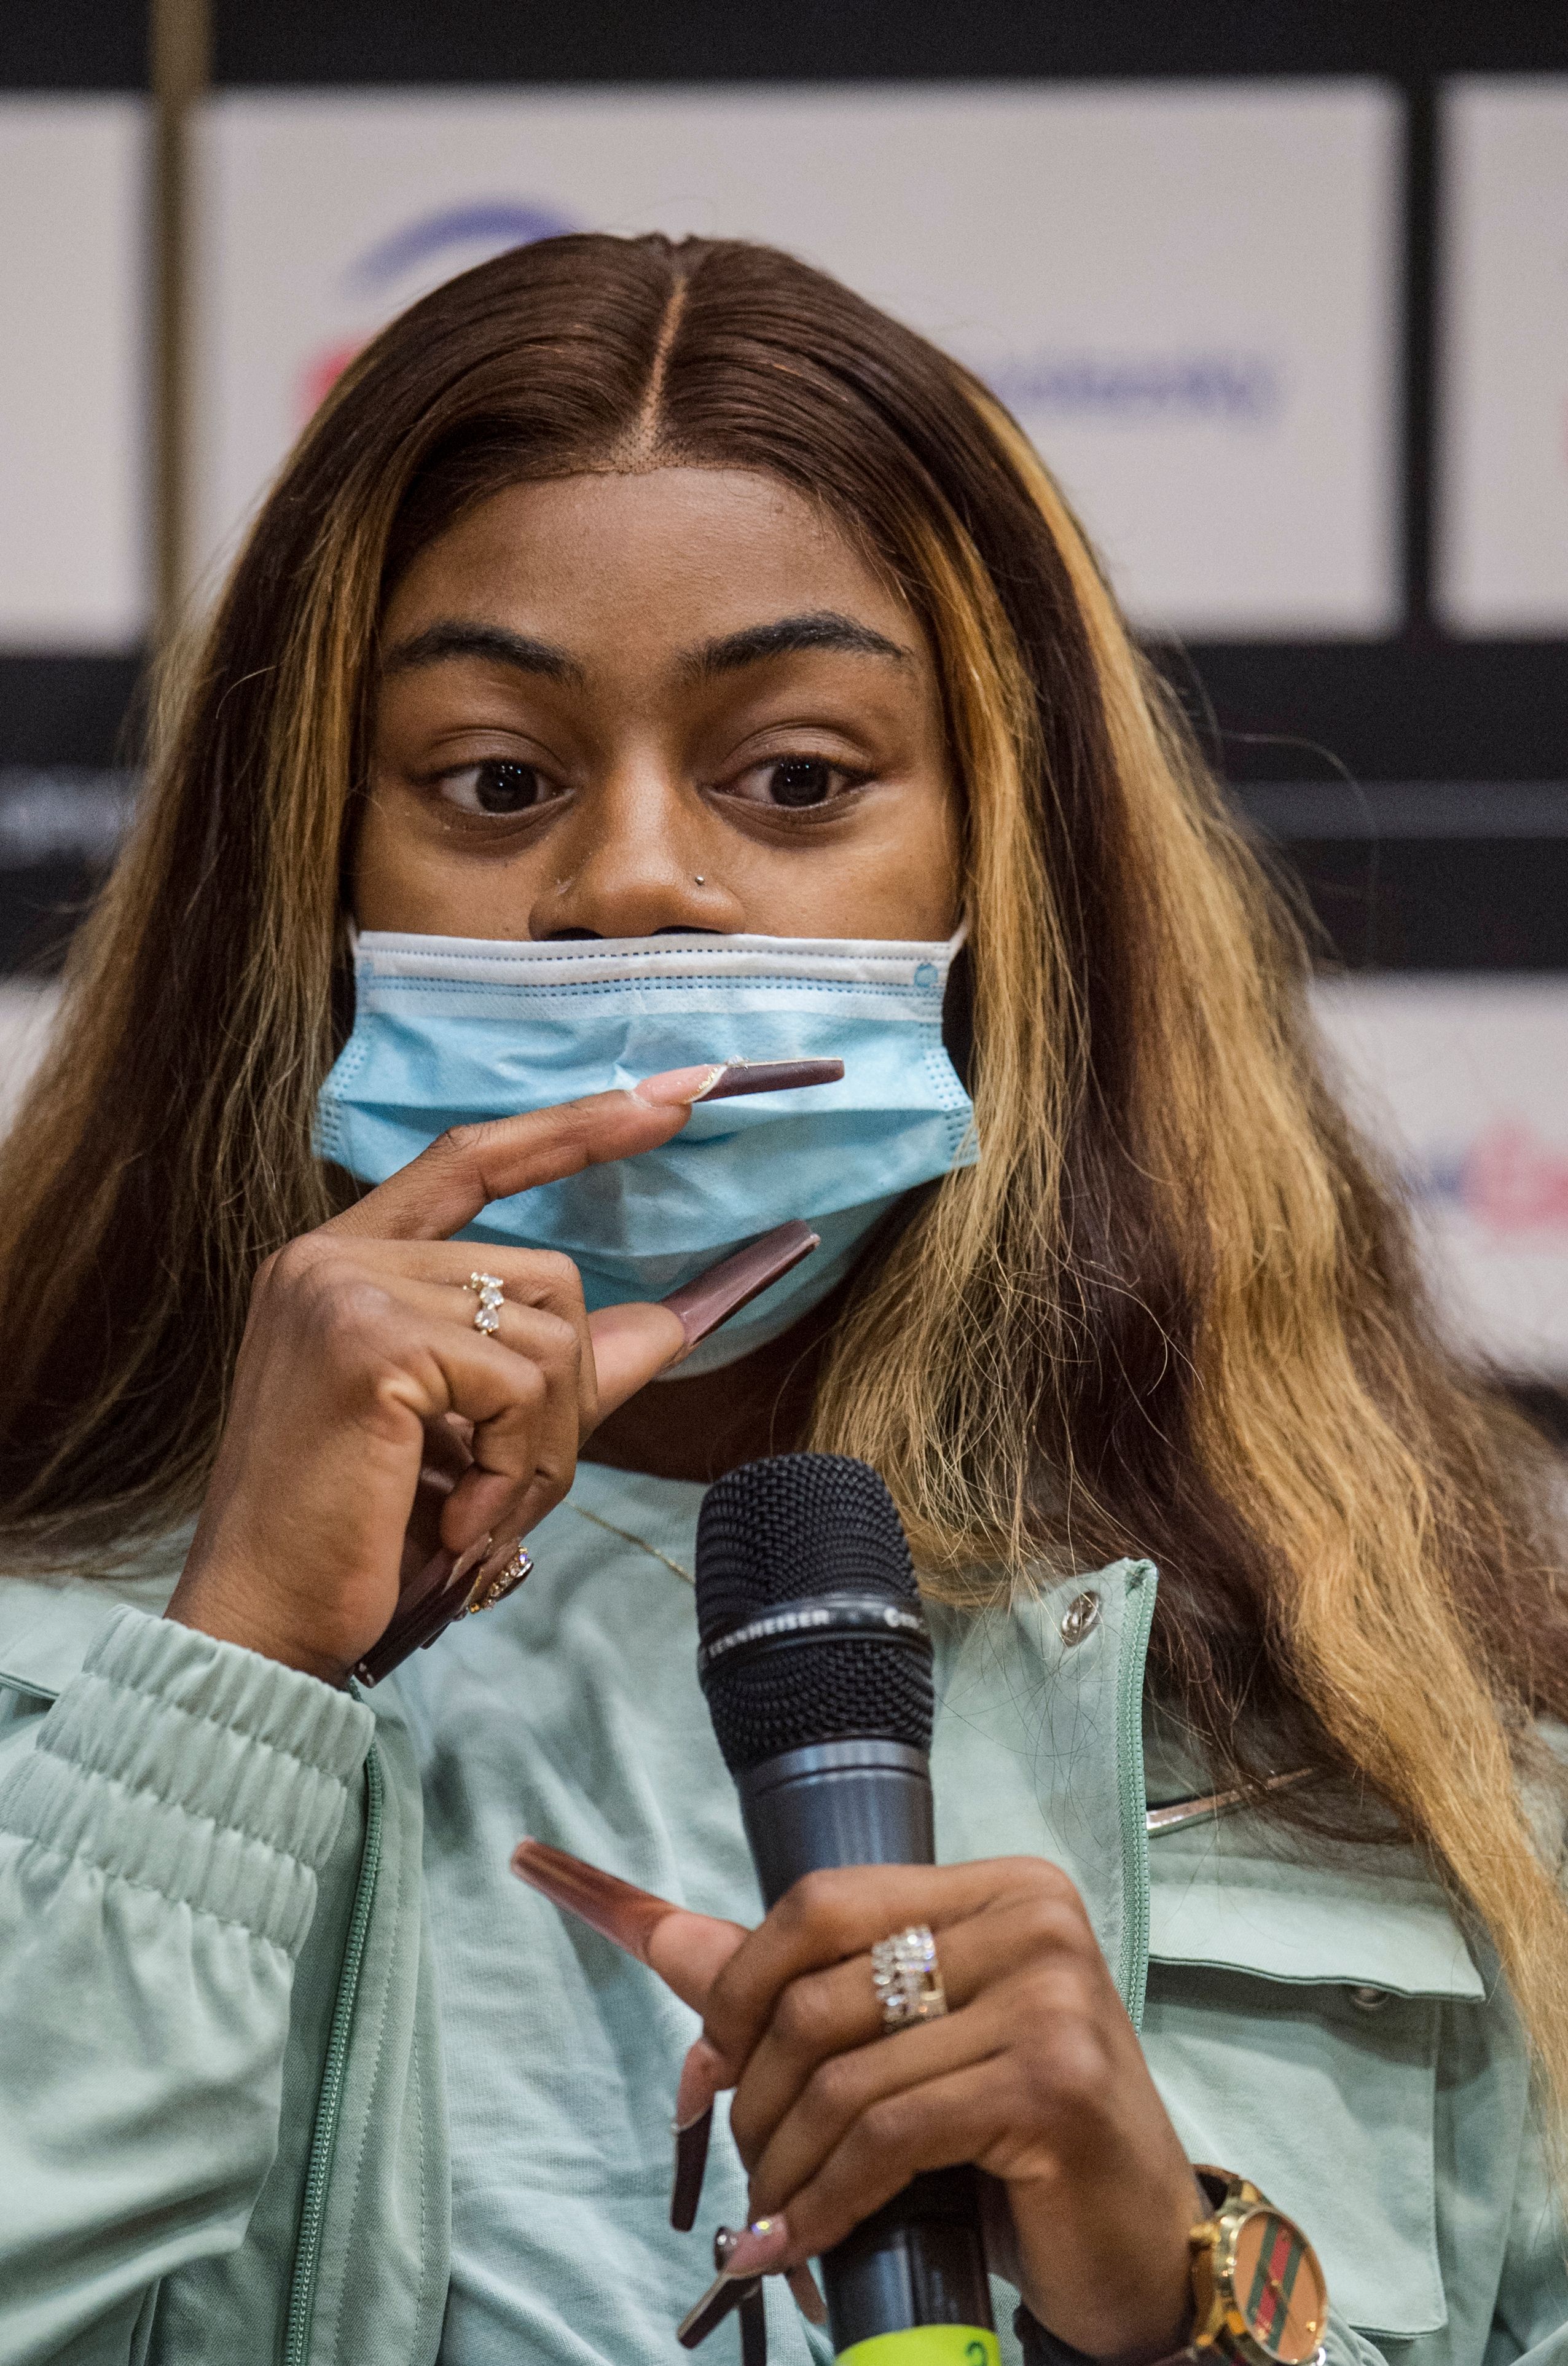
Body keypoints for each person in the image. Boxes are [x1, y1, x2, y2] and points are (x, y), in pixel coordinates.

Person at [0, 231, 1564, 2366]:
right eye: (492, 777)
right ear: (307, 866)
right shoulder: (50, 1651)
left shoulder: (1415, 1701)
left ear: (1010, 870)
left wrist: (1171, 2302)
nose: (635, 876)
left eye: (801, 777)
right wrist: (234, 1666)